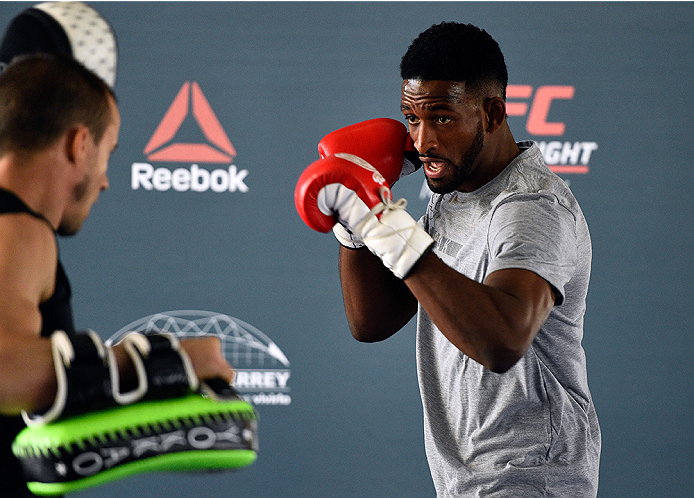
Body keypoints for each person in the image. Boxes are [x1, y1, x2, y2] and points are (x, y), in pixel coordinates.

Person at [296, 22, 600, 496]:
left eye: (440, 118)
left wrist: (387, 225)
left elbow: (502, 340)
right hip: (463, 478)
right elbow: (371, 321)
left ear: (493, 114)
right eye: (411, 118)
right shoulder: (455, 193)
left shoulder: (531, 208)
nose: (421, 141)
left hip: (529, 479)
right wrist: (353, 224)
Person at [0, 53, 235, 498]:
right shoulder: (18, 227)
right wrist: (172, 362)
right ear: (79, 144)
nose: (105, 181)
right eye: (108, 154)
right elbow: (5, 371)